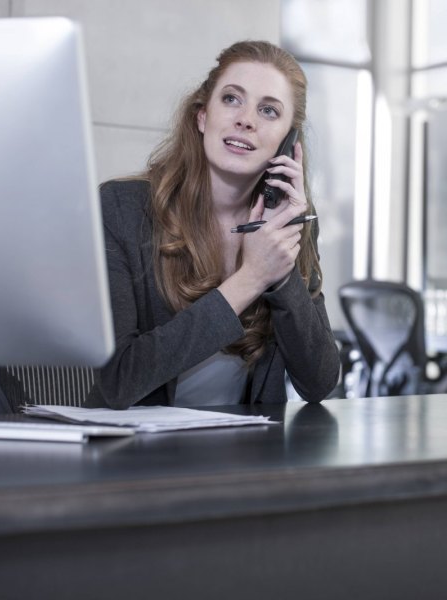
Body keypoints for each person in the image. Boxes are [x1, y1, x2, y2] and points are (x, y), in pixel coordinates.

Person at [87, 41, 340, 409]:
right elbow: (120, 382)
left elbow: (318, 382)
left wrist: (281, 273)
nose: (246, 119)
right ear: (202, 116)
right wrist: (251, 278)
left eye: (269, 110)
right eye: (232, 99)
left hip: (241, 457)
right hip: (133, 457)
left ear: (288, 143)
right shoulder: (121, 209)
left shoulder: (289, 224)